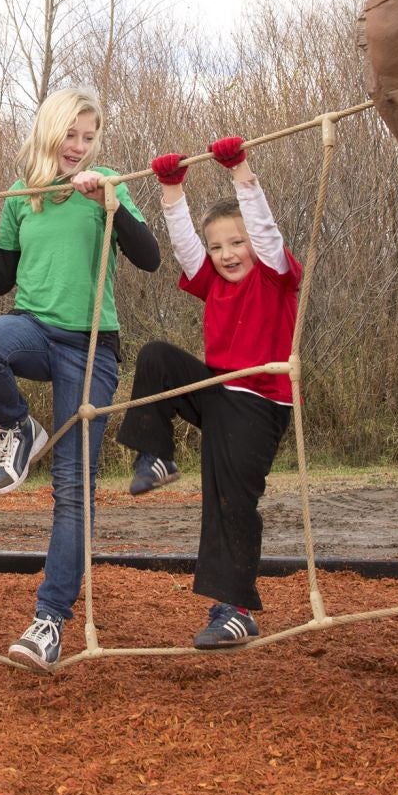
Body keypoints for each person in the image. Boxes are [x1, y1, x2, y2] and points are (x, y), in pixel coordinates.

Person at [0, 88, 162, 671]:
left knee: (74, 487)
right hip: (32, 331)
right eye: (70, 134)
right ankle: (19, 428)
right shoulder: (24, 195)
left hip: (91, 348)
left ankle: (49, 622)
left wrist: (111, 205)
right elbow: (3, 279)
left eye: (88, 136)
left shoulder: (107, 186)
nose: (78, 146)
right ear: (48, 133)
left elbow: (149, 259)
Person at [117, 136, 303, 649]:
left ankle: (236, 610)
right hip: (220, 393)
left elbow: (264, 232)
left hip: (261, 403)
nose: (226, 255)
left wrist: (242, 174)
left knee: (229, 501)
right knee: (155, 356)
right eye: (218, 246)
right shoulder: (212, 281)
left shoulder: (274, 275)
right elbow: (184, 247)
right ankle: (157, 456)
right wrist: (172, 192)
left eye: (235, 243)